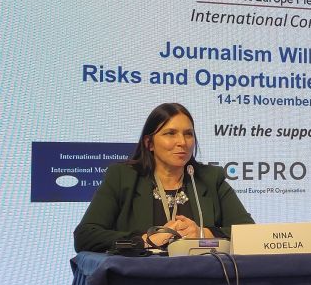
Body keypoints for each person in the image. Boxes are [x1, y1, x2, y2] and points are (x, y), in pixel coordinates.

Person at [74, 103, 254, 252]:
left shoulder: (210, 178)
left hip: (202, 277)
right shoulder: (122, 177)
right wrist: (144, 240)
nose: (182, 142)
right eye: (170, 133)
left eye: (188, 134)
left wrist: (203, 233)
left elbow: (249, 232)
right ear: (149, 143)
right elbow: (85, 236)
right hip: (142, 279)